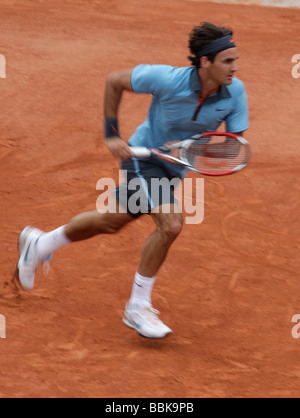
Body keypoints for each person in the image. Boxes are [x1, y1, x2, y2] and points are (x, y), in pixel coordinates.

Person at [16, 22, 249, 339]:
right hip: (142, 159)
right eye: (227, 61)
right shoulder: (167, 79)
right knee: (171, 224)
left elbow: (234, 147)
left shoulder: (235, 92)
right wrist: (112, 134)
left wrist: (192, 149)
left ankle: (39, 244)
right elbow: (115, 81)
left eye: (235, 60)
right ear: (205, 62)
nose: (235, 67)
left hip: (173, 168)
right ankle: (137, 307)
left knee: (111, 222)